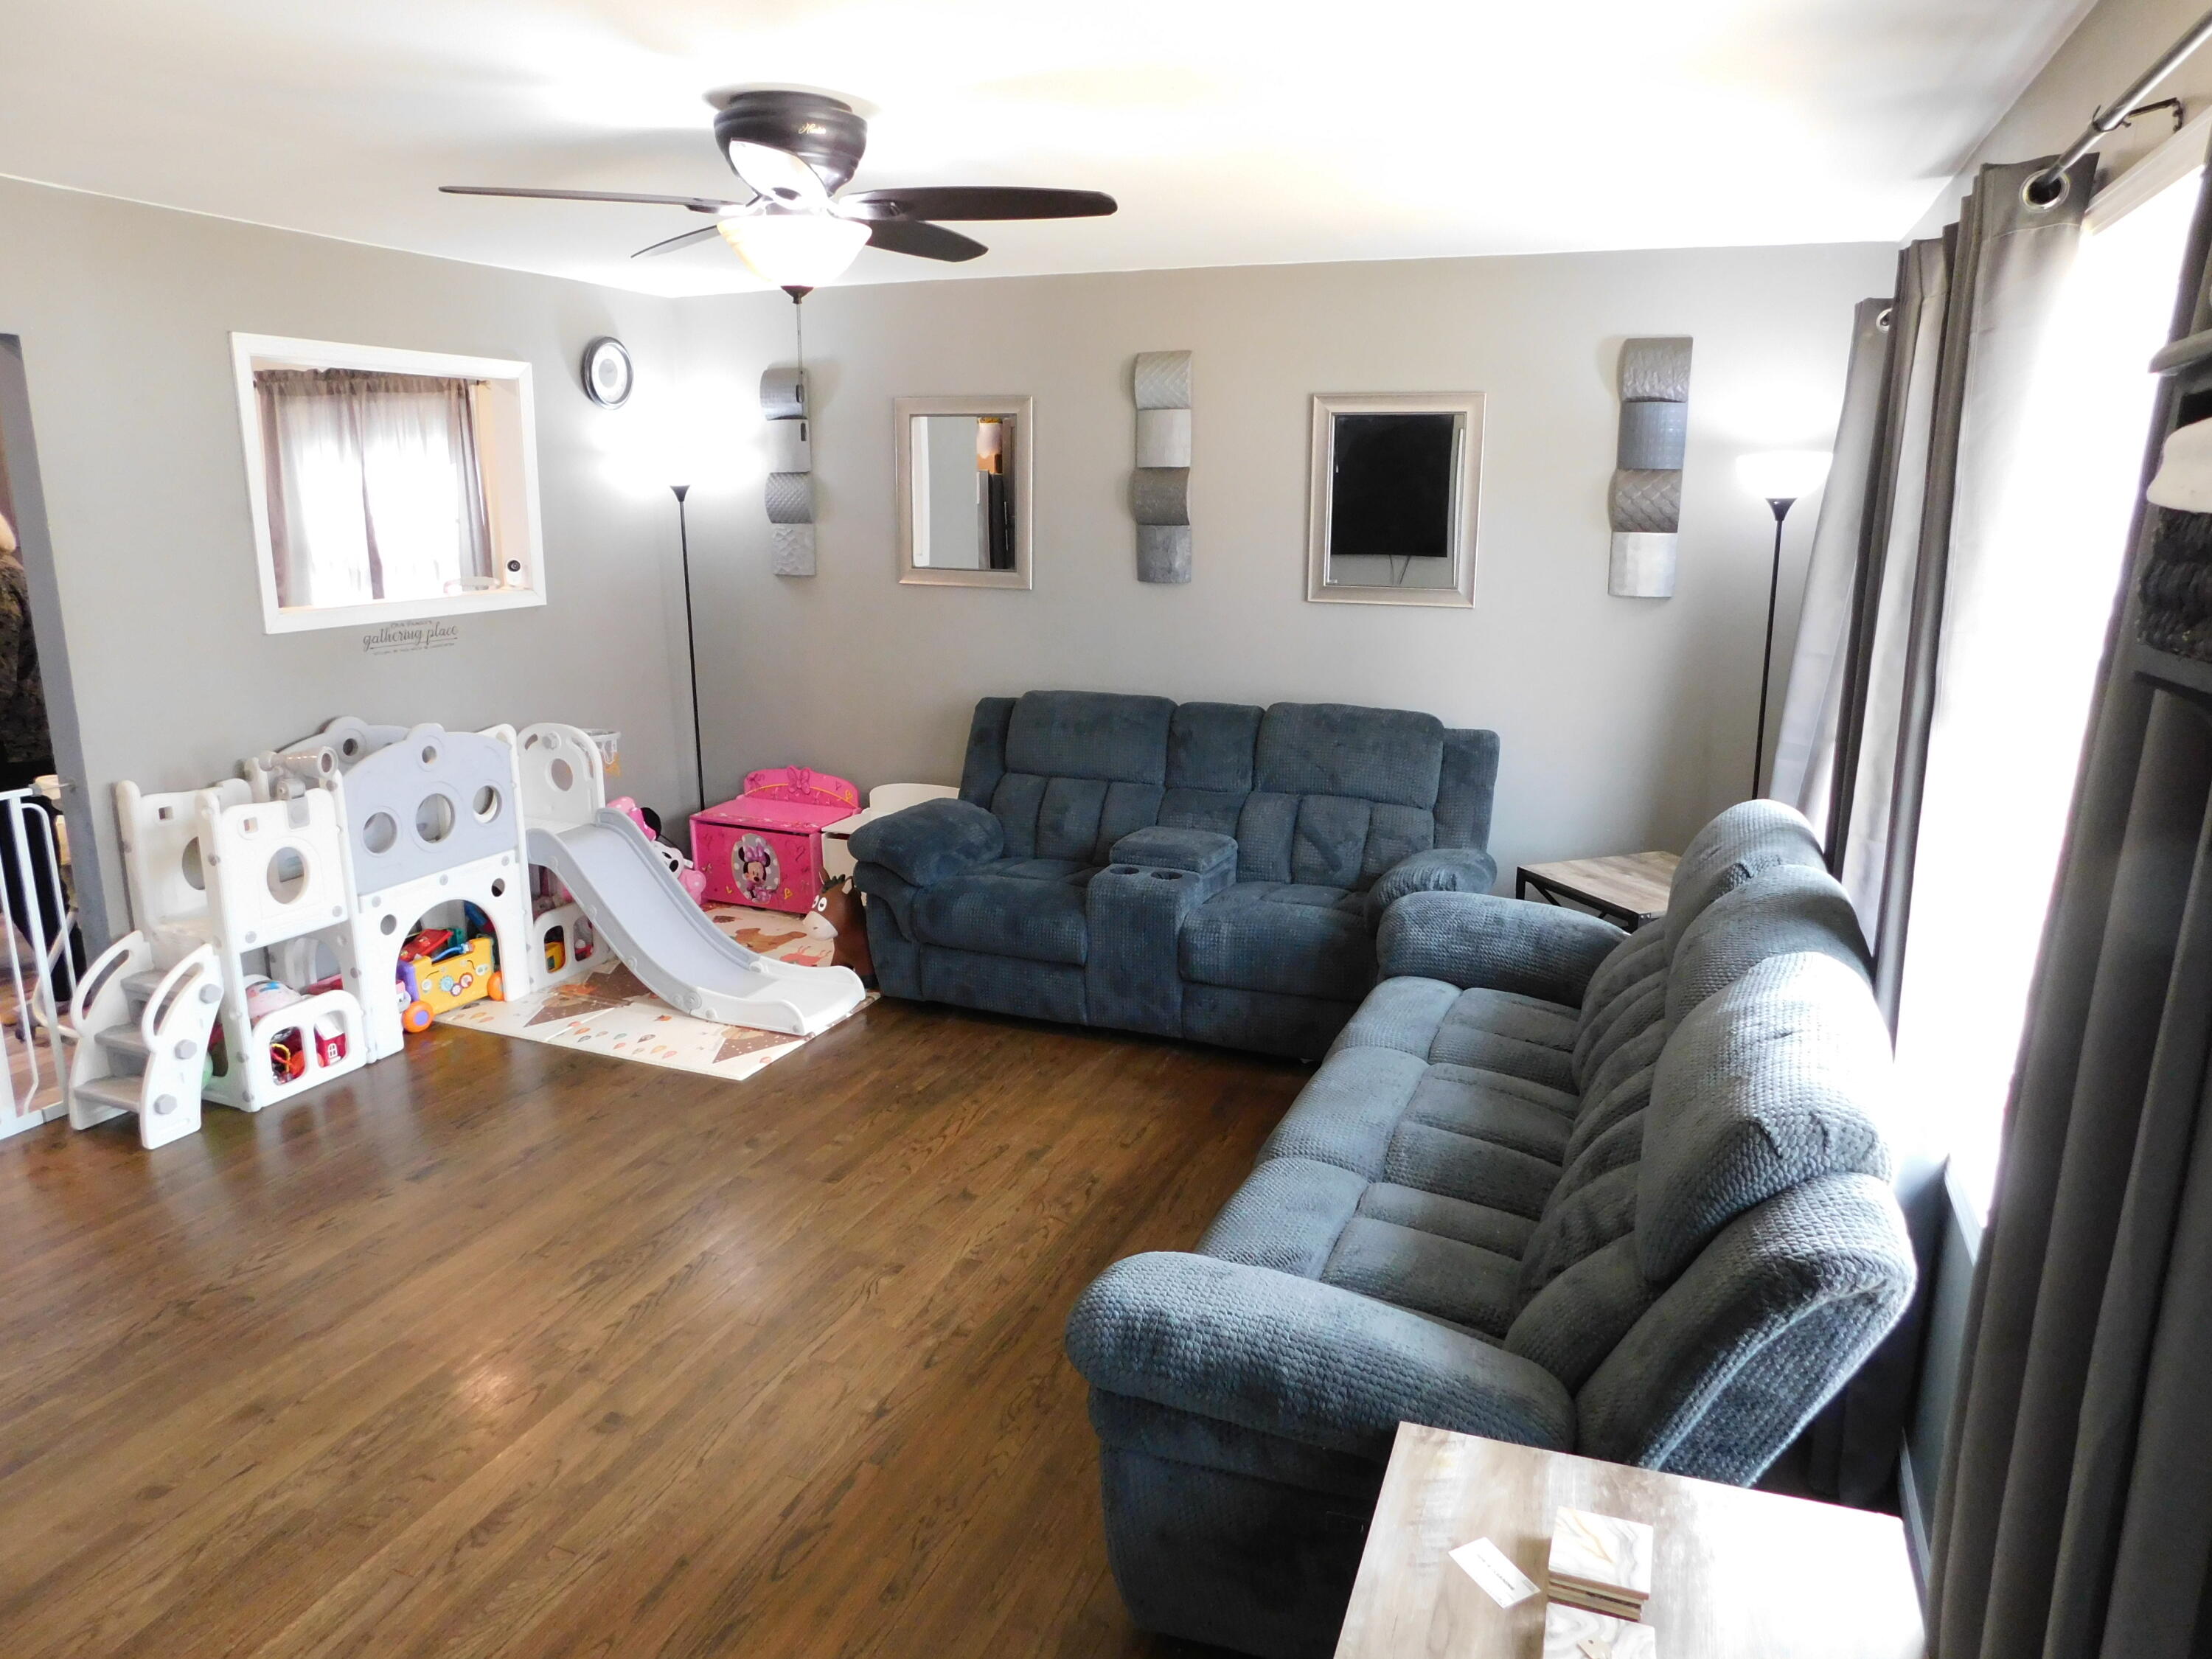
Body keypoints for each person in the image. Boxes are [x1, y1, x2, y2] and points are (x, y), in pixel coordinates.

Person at [0, 509, 74, 1001]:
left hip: (17, 751)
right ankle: (67, 978)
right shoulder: (16, 575)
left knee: (27, 868)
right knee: (36, 867)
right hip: (35, 744)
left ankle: (68, 982)